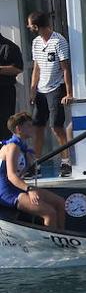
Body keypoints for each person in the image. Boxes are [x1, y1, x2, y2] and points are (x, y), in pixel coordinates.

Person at [0, 113, 67, 230]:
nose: (32, 128)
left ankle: (63, 238)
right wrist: (29, 189)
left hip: (17, 188)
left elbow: (20, 173)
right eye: (29, 126)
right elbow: (11, 176)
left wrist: (30, 161)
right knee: (49, 213)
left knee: (60, 203)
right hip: (7, 191)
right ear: (18, 129)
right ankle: (51, 245)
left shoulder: (23, 147)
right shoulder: (12, 147)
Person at [26, 12, 72, 177]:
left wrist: (69, 92)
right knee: (38, 127)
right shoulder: (36, 42)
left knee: (56, 127)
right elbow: (37, 68)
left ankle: (66, 163)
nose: (28, 27)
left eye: (30, 24)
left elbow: (65, 68)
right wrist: (33, 90)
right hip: (41, 90)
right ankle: (36, 165)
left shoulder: (59, 41)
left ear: (36, 26)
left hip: (56, 88)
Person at [0, 29, 21, 140]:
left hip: (4, 93)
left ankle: (5, 154)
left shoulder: (9, 47)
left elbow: (18, 68)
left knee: (4, 127)